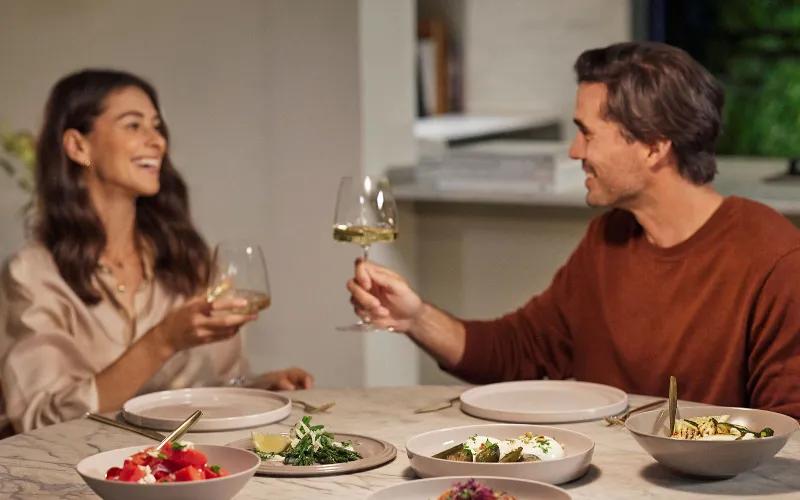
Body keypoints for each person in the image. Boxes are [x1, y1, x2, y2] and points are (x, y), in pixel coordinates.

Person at [347, 41, 800, 419]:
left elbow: (787, 439)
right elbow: (517, 351)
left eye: (587, 133)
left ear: (654, 147)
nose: (573, 151)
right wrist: (414, 317)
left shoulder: (774, 261)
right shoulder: (608, 239)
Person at [0, 69, 313, 435]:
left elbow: (214, 384)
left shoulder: (186, 259)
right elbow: (39, 422)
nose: (157, 141)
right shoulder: (33, 274)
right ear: (78, 146)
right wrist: (163, 341)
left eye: (156, 126)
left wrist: (258, 388)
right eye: (133, 125)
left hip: (183, 472)